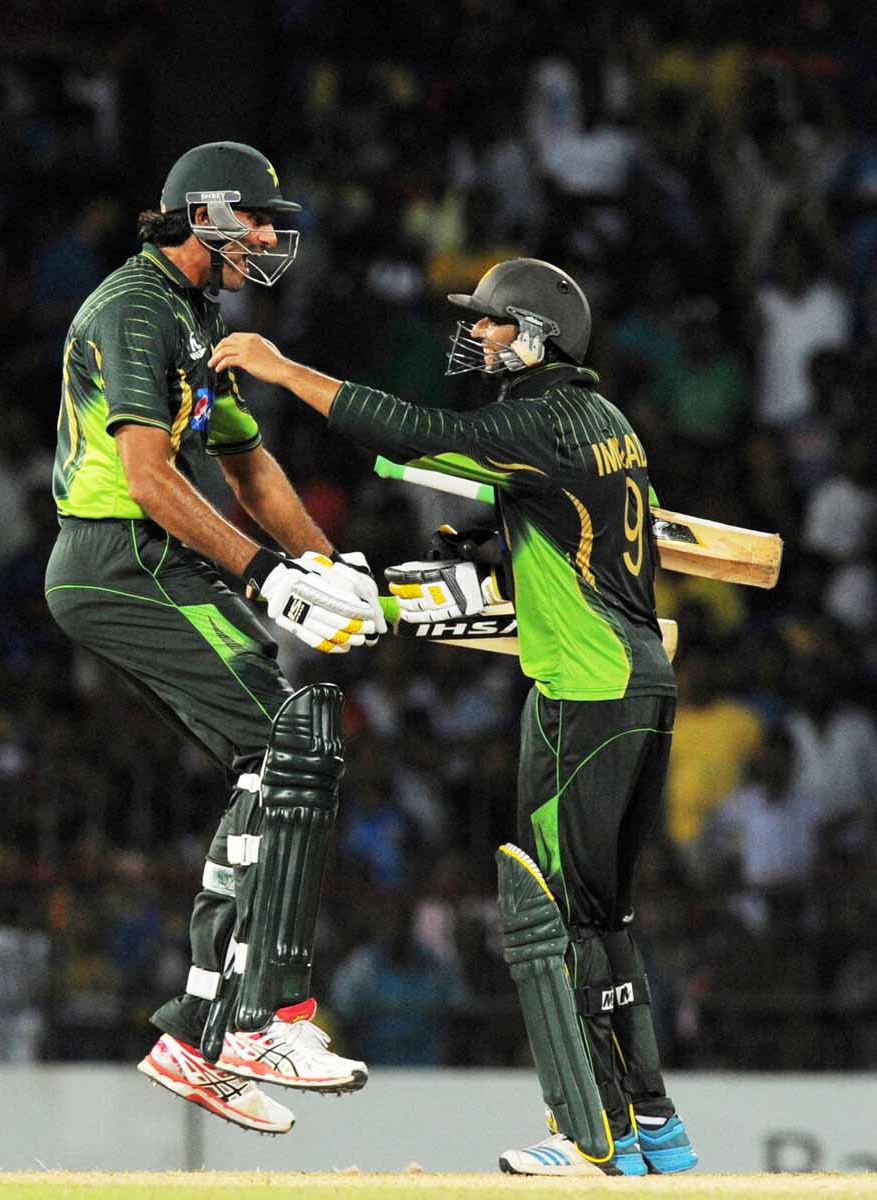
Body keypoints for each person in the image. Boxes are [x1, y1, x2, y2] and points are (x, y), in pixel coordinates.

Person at [208, 257, 698, 1174]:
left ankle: (588, 1137)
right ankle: (654, 1132)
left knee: (554, 919)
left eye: (495, 322)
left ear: (539, 337)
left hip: (582, 693)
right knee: (605, 920)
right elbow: (562, 522)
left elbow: (413, 436)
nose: (478, 334)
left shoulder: (539, 419)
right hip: (641, 686)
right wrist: (484, 542)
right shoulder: (602, 423)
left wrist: (281, 370)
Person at [45, 141, 388, 1135]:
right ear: (205, 216)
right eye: (259, 219)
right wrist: (268, 576)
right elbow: (151, 476)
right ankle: (262, 1018)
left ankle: (194, 1037)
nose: (274, 237)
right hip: (123, 555)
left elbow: (251, 468)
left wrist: (335, 575)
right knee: (294, 738)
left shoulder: (193, 313)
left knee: (274, 754)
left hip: (152, 558)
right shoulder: (136, 309)